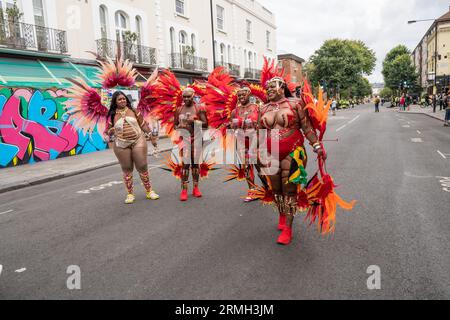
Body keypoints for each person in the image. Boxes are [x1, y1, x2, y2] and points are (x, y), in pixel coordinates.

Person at [258, 76, 326, 245]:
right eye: (267, 87)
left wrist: (316, 145)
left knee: (289, 190)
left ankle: (288, 228)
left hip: (293, 152)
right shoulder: (263, 108)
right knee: (276, 189)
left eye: (272, 86)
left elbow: (306, 127)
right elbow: (260, 133)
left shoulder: (295, 103)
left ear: (282, 87)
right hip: (270, 153)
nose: (269, 90)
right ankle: (282, 213)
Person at [105, 91, 160, 204]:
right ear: (115, 101)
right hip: (121, 144)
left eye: (124, 98)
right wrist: (110, 132)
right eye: (119, 99)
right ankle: (130, 194)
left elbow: (143, 124)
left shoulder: (134, 111)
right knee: (127, 168)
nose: (122, 100)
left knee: (142, 165)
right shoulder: (112, 115)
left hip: (138, 140)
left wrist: (151, 136)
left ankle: (149, 191)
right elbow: (108, 131)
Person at [174, 88, 209, 201]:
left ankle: (195, 188)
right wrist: (180, 126)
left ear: (193, 96)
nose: (186, 99)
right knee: (185, 165)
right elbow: (174, 125)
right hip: (184, 139)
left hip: (196, 139)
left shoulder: (199, 108)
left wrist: (192, 122)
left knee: (194, 165)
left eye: (188, 96)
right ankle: (184, 190)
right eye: (184, 97)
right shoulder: (179, 109)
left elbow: (205, 124)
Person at [230, 86, 260, 202]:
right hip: (242, 141)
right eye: (239, 95)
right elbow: (232, 126)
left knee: (260, 166)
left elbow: (262, 124)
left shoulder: (257, 108)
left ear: (249, 95)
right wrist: (234, 125)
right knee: (246, 166)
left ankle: (268, 187)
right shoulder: (235, 111)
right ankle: (252, 190)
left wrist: (254, 125)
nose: (241, 97)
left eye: (243, 95)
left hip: (256, 140)